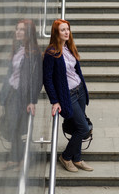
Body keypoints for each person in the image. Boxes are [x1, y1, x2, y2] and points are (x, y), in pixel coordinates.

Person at [43, 19, 93, 172]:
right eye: (63, 30)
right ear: (56, 33)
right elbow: (47, 79)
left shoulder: (69, 47)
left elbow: (76, 71)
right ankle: (65, 157)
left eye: (68, 29)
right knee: (84, 129)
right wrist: (55, 100)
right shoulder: (51, 53)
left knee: (79, 125)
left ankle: (77, 158)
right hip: (68, 95)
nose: (66, 32)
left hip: (80, 91)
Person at [0, 19, 42, 171]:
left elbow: (37, 79)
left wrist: (32, 101)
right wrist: (2, 99)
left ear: (29, 33)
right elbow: (9, 75)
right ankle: (13, 158)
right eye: (17, 29)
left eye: (22, 30)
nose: (18, 32)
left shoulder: (35, 54)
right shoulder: (17, 50)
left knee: (24, 129)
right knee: (13, 127)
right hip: (12, 94)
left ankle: (25, 159)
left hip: (24, 97)